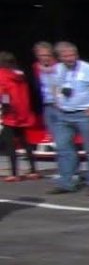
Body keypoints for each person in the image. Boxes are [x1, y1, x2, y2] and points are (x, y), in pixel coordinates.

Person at [48, 41, 89, 196]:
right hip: (63, 114)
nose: (70, 59)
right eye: (66, 56)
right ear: (60, 57)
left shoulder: (87, 68)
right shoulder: (57, 69)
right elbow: (54, 85)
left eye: (73, 55)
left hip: (84, 114)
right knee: (63, 148)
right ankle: (66, 183)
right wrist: (56, 99)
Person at [0, 51, 39, 182]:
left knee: (9, 143)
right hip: (24, 111)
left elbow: (3, 93)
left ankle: (14, 173)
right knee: (24, 141)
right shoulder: (21, 74)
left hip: (11, 112)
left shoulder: (2, 74)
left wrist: (5, 107)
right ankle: (33, 171)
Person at [31, 41, 58, 147]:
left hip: (60, 104)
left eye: (47, 55)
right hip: (47, 103)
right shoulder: (36, 67)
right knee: (50, 128)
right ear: (37, 55)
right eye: (41, 55)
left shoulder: (59, 66)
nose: (45, 58)